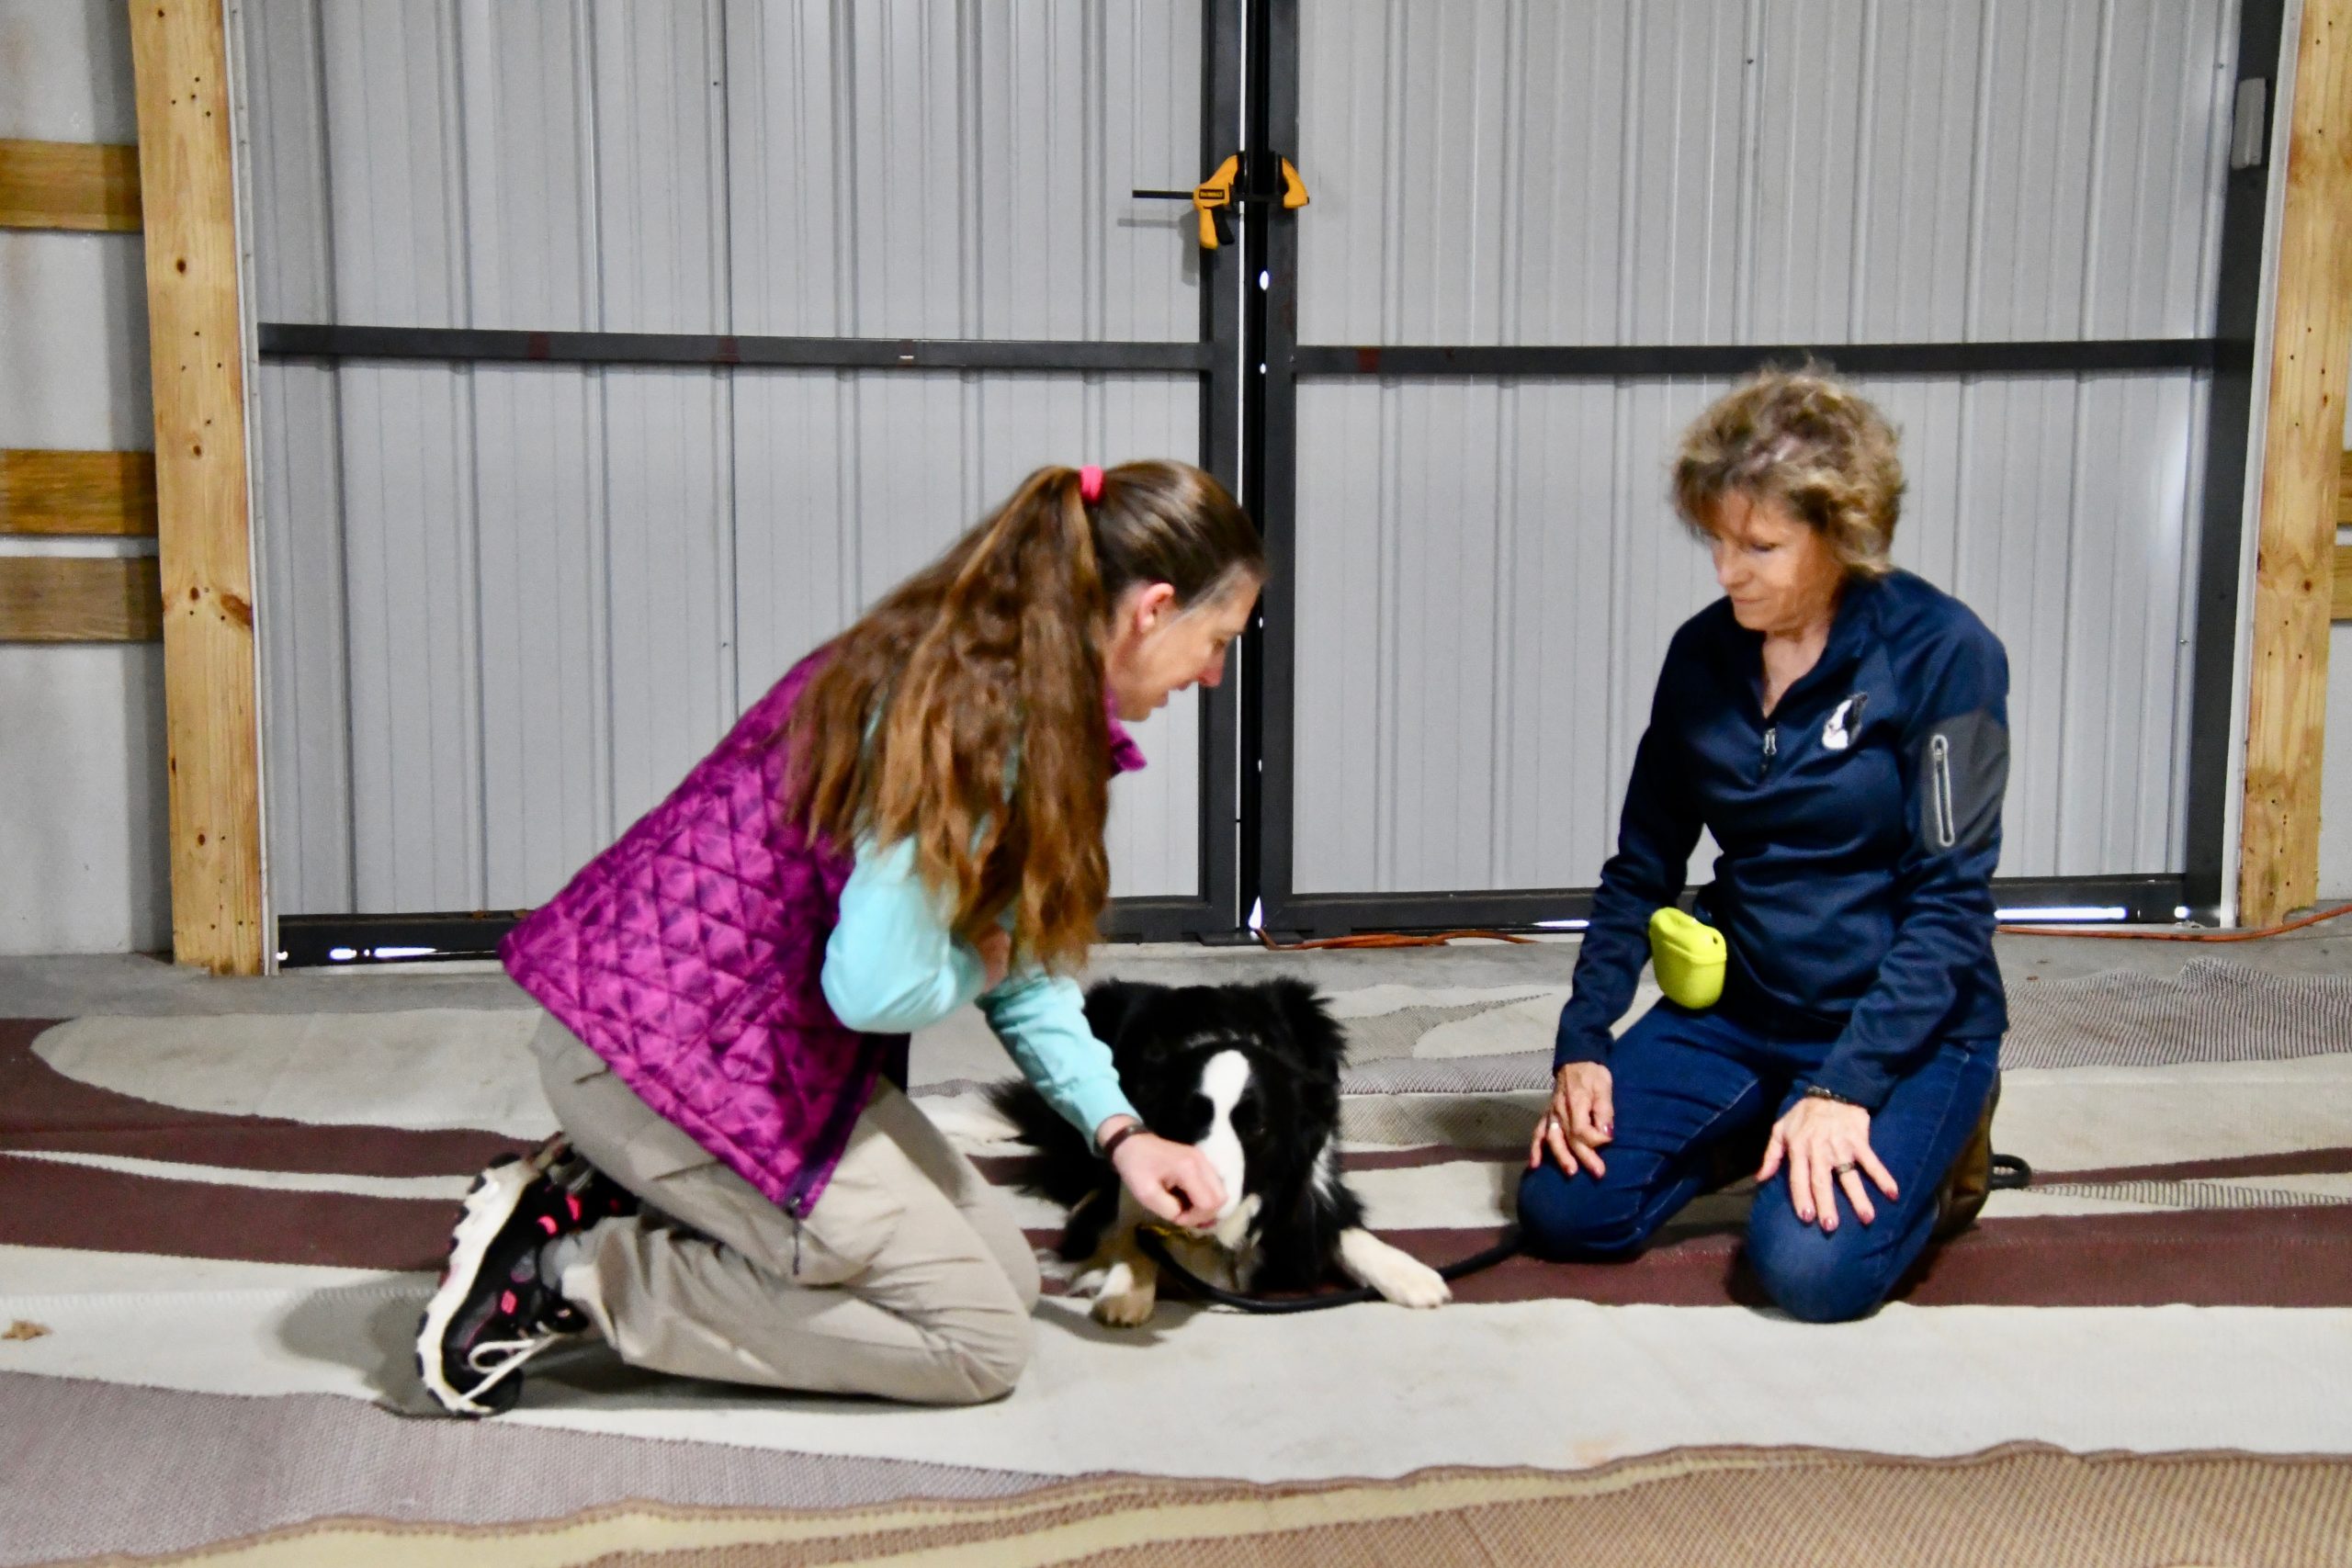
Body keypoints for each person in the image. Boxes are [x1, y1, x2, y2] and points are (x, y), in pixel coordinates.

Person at [417, 460, 1264, 1415]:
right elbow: (876, 988)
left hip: (719, 1051)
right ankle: (566, 1270)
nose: (1213, 673)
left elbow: (1017, 972)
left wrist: (1120, 1134)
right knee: (975, 1343)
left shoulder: (984, 682)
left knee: (1008, 1283)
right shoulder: (976, 725)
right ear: (1153, 609)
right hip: (664, 1066)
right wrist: (974, 961)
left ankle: (635, 1196)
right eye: (1217, 638)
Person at [1517, 367, 2009, 1323]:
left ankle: (1944, 1144)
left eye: (1760, 545)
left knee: (1806, 1275)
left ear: (1843, 535)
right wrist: (1581, 1046)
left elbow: (1952, 908)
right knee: (1563, 1208)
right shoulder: (1700, 655)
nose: (1724, 570)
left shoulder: (1945, 653)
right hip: (1744, 1008)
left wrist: (1847, 1086)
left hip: (1902, 1031)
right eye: (1715, 538)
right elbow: (1642, 866)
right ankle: (1760, 1119)